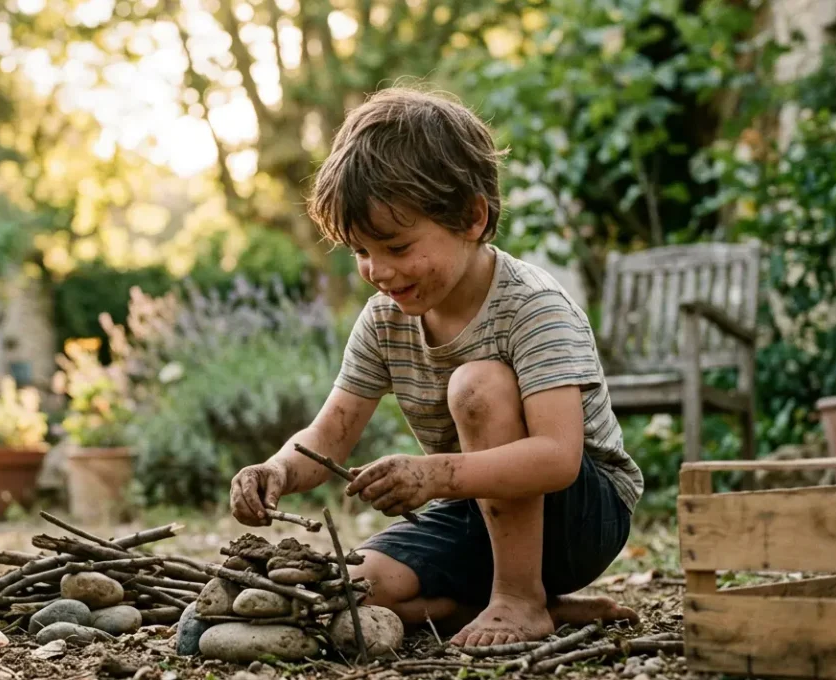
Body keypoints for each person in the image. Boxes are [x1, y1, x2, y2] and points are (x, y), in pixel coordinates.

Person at [228, 85, 644, 647]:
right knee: (356, 587)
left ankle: (520, 597)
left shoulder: (532, 306)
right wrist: (276, 470)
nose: (377, 270)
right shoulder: (384, 321)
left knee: (478, 383)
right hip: (477, 513)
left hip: (579, 518)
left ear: (472, 217)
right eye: (359, 252)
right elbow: (328, 438)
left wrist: (434, 475)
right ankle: (535, 606)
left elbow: (558, 458)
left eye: (396, 247)